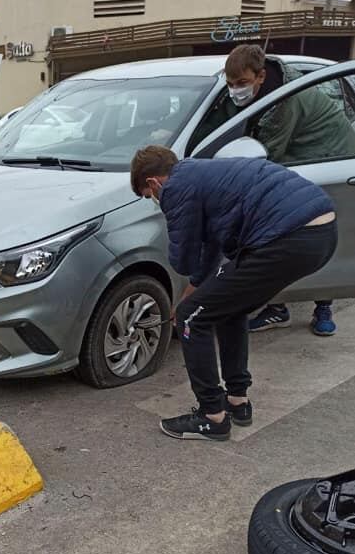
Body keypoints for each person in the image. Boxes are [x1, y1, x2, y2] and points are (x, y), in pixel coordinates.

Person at [130, 145, 337, 441]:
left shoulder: (175, 188)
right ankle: (237, 402)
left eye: (149, 195)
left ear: (152, 182)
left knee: (190, 319)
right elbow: (213, 247)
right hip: (320, 232)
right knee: (229, 307)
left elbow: (185, 258)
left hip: (286, 238)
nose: (154, 200)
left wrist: (188, 298)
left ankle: (211, 417)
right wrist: (194, 288)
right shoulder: (202, 174)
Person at [196, 44, 355, 336]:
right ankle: (279, 303)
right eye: (231, 85)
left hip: (328, 163)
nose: (236, 90)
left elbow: (267, 155)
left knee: (313, 238)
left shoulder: (285, 100)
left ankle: (315, 306)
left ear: (260, 75)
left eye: (242, 83)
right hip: (303, 158)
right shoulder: (264, 91)